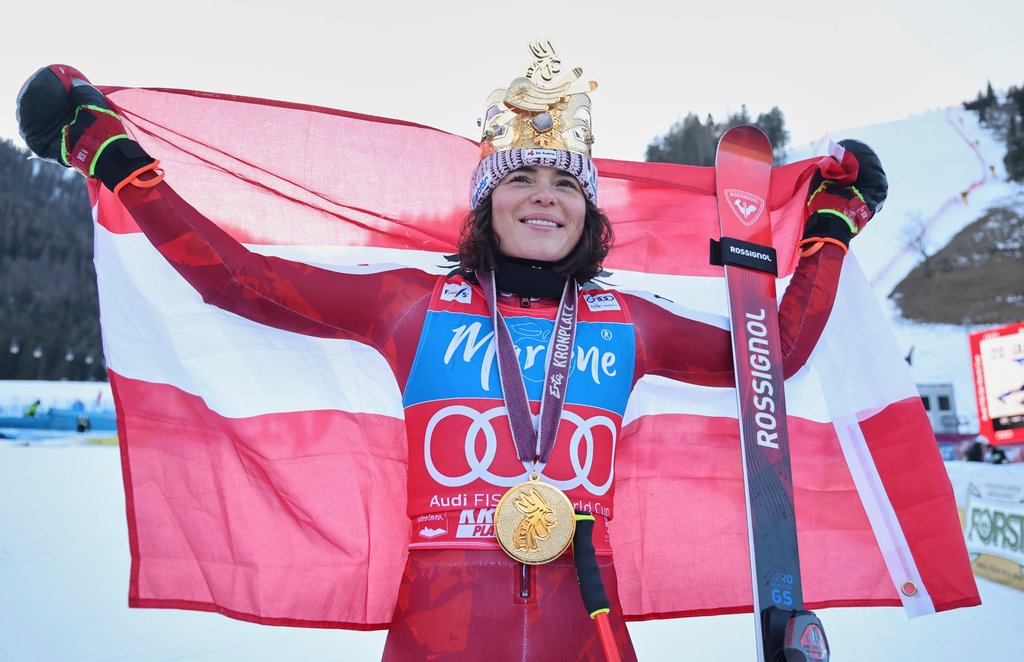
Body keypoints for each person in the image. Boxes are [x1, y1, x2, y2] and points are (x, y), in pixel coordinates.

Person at [17, 40, 886, 661]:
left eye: (562, 182)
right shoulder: (411, 302)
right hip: (437, 633)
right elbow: (237, 281)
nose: (543, 198)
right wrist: (112, 156)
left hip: (586, 624)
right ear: (486, 202)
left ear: (588, 210)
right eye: (520, 177)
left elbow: (771, 360)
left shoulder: (629, 321)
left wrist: (831, 233)